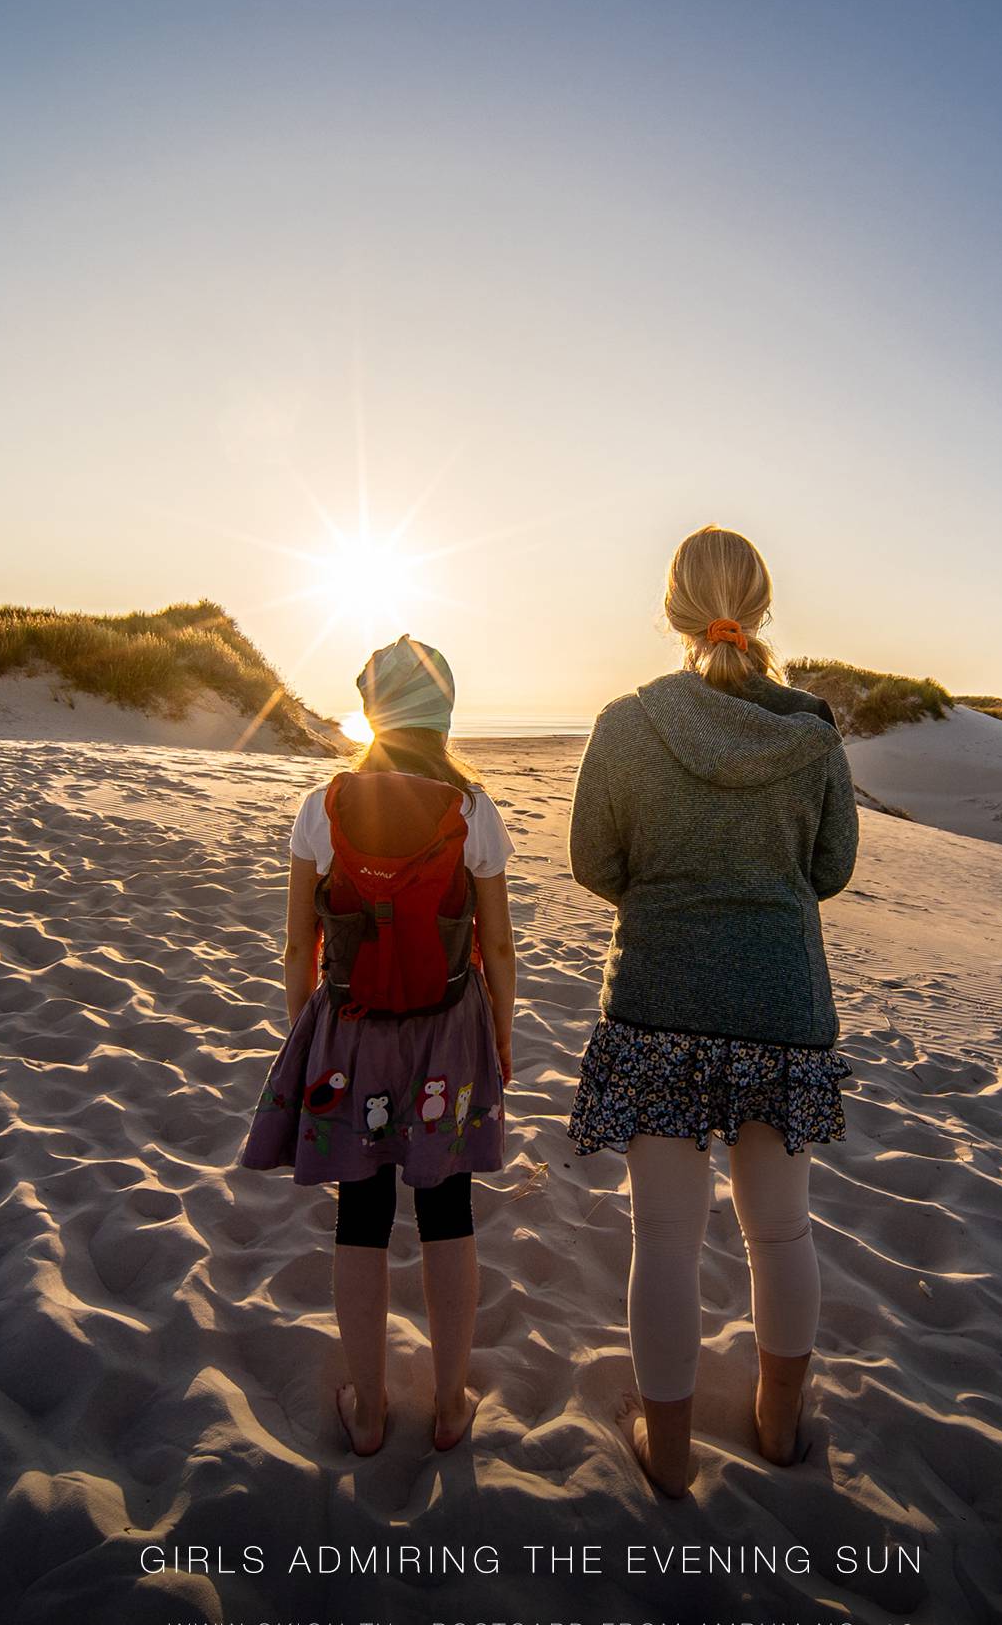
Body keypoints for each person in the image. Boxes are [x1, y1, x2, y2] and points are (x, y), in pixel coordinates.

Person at [566, 525, 858, 1498]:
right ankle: (777, 1427)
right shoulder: (812, 729)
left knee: (664, 1239)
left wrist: (673, 896)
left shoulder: (627, 723)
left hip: (659, 1001)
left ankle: (669, 1453)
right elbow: (830, 868)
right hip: (781, 1004)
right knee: (782, 1233)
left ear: (672, 610)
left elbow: (594, 863)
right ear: (761, 607)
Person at [240, 635, 518, 1455]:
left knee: (361, 1215)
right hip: (448, 1035)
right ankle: (450, 1403)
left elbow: (299, 945)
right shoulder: (471, 810)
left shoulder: (320, 808)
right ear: (444, 712)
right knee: (448, 1210)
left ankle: (367, 1412)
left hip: (349, 1033)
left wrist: (308, 1030)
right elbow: (499, 946)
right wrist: (500, 1036)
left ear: (372, 713)